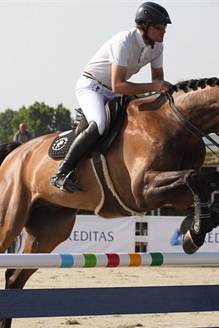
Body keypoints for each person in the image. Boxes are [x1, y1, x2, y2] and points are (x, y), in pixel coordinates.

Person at [50, 1, 172, 192]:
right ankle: (61, 172)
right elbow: (120, 84)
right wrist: (155, 86)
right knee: (99, 124)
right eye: (159, 27)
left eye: (165, 27)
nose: (164, 31)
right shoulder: (124, 41)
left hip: (115, 91)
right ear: (143, 26)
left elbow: (157, 79)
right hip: (92, 86)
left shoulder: (157, 47)